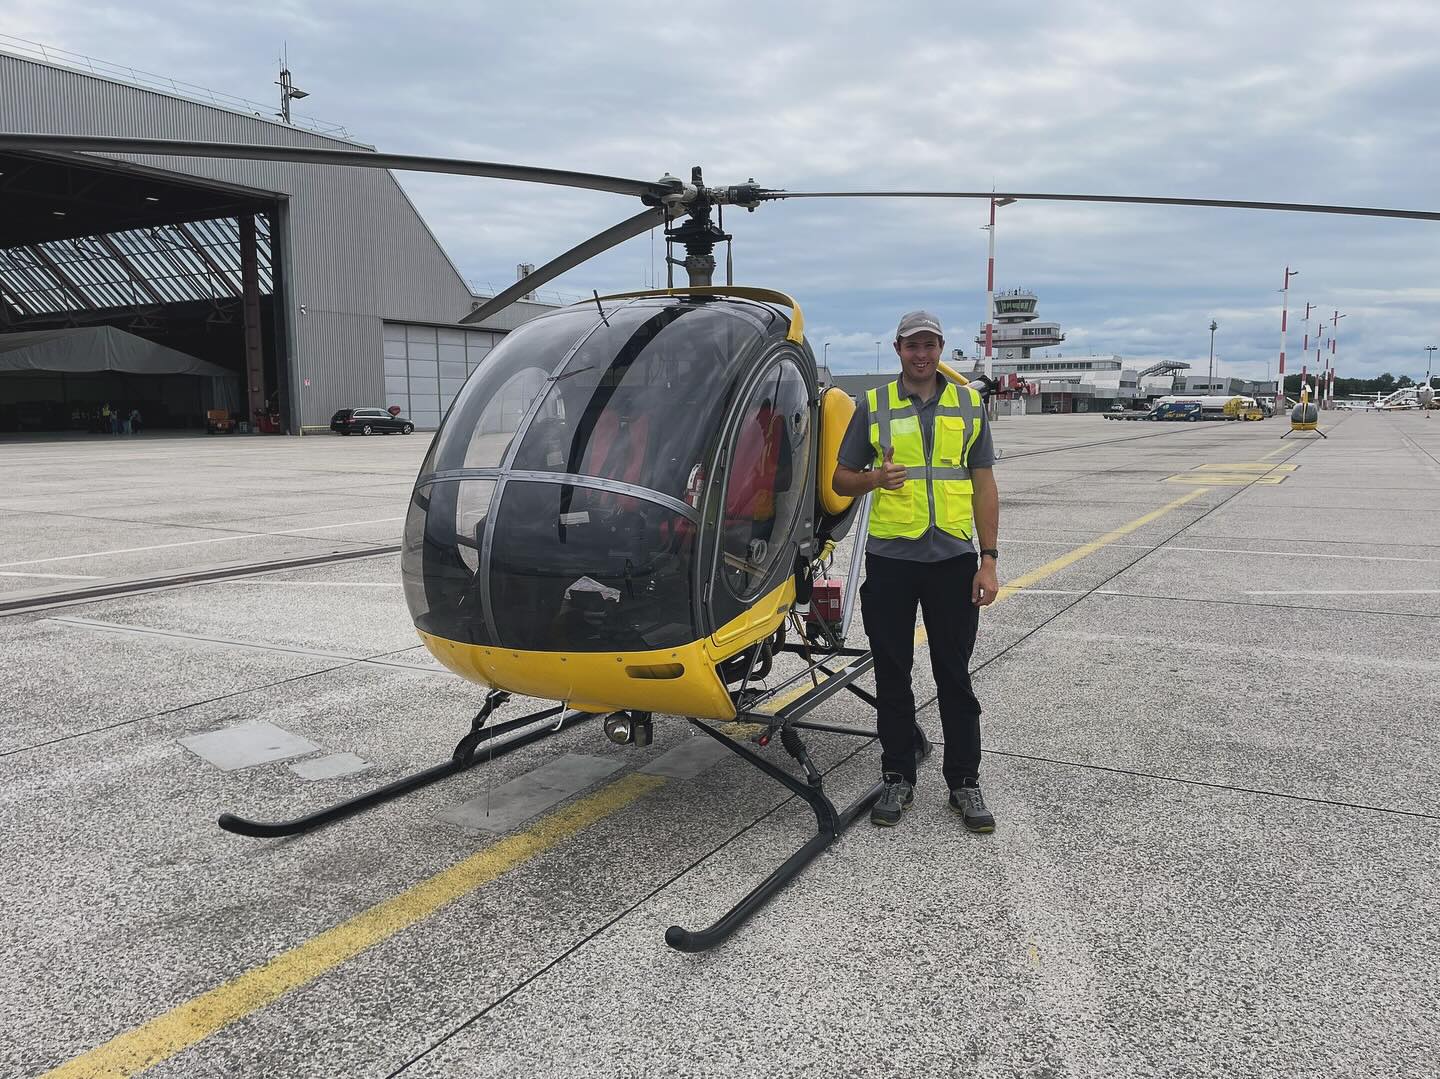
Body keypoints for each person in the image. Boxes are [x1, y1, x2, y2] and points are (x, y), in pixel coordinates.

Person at [832, 310, 1001, 832]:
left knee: (954, 675)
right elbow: (840, 479)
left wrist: (989, 559)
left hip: (953, 562)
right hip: (891, 561)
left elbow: (984, 485)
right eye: (912, 346)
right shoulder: (873, 405)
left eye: (930, 346)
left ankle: (964, 782)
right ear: (898, 349)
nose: (922, 355)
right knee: (892, 673)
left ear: (941, 348)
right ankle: (898, 775)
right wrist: (874, 478)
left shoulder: (969, 404)